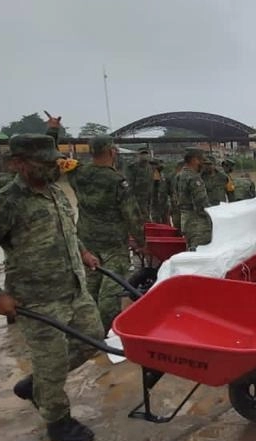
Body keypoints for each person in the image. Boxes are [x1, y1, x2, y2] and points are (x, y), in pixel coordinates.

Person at [0, 134, 104, 441]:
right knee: (52, 360)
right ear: (18, 164)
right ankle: (57, 420)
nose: (52, 168)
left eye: (54, 162)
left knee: (93, 340)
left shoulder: (57, 195)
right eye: (44, 163)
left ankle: (37, 385)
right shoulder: (3, 203)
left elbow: (67, 232)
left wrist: (84, 252)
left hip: (75, 289)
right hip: (37, 299)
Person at [48, 121, 145, 332]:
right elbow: (132, 217)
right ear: (112, 151)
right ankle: (106, 336)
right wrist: (142, 243)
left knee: (89, 290)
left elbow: (53, 155)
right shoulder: (117, 181)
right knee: (110, 294)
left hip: (86, 245)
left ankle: (87, 334)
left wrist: (53, 130)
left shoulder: (76, 172)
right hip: (113, 247)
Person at [174, 147, 212, 249]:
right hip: (197, 224)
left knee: (191, 249)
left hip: (186, 221)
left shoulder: (179, 176)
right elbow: (201, 202)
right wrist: (213, 216)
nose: (203, 164)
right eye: (202, 160)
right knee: (200, 252)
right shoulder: (193, 177)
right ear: (194, 160)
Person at [125, 149, 154, 221]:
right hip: (137, 195)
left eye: (146, 154)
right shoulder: (133, 167)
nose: (144, 156)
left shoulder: (150, 167)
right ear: (138, 155)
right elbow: (129, 182)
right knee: (138, 215)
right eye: (142, 154)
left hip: (148, 195)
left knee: (146, 213)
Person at [150, 159, 171, 224]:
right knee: (156, 222)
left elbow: (168, 188)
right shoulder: (150, 175)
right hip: (155, 204)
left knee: (166, 221)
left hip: (164, 203)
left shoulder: (163, 175)